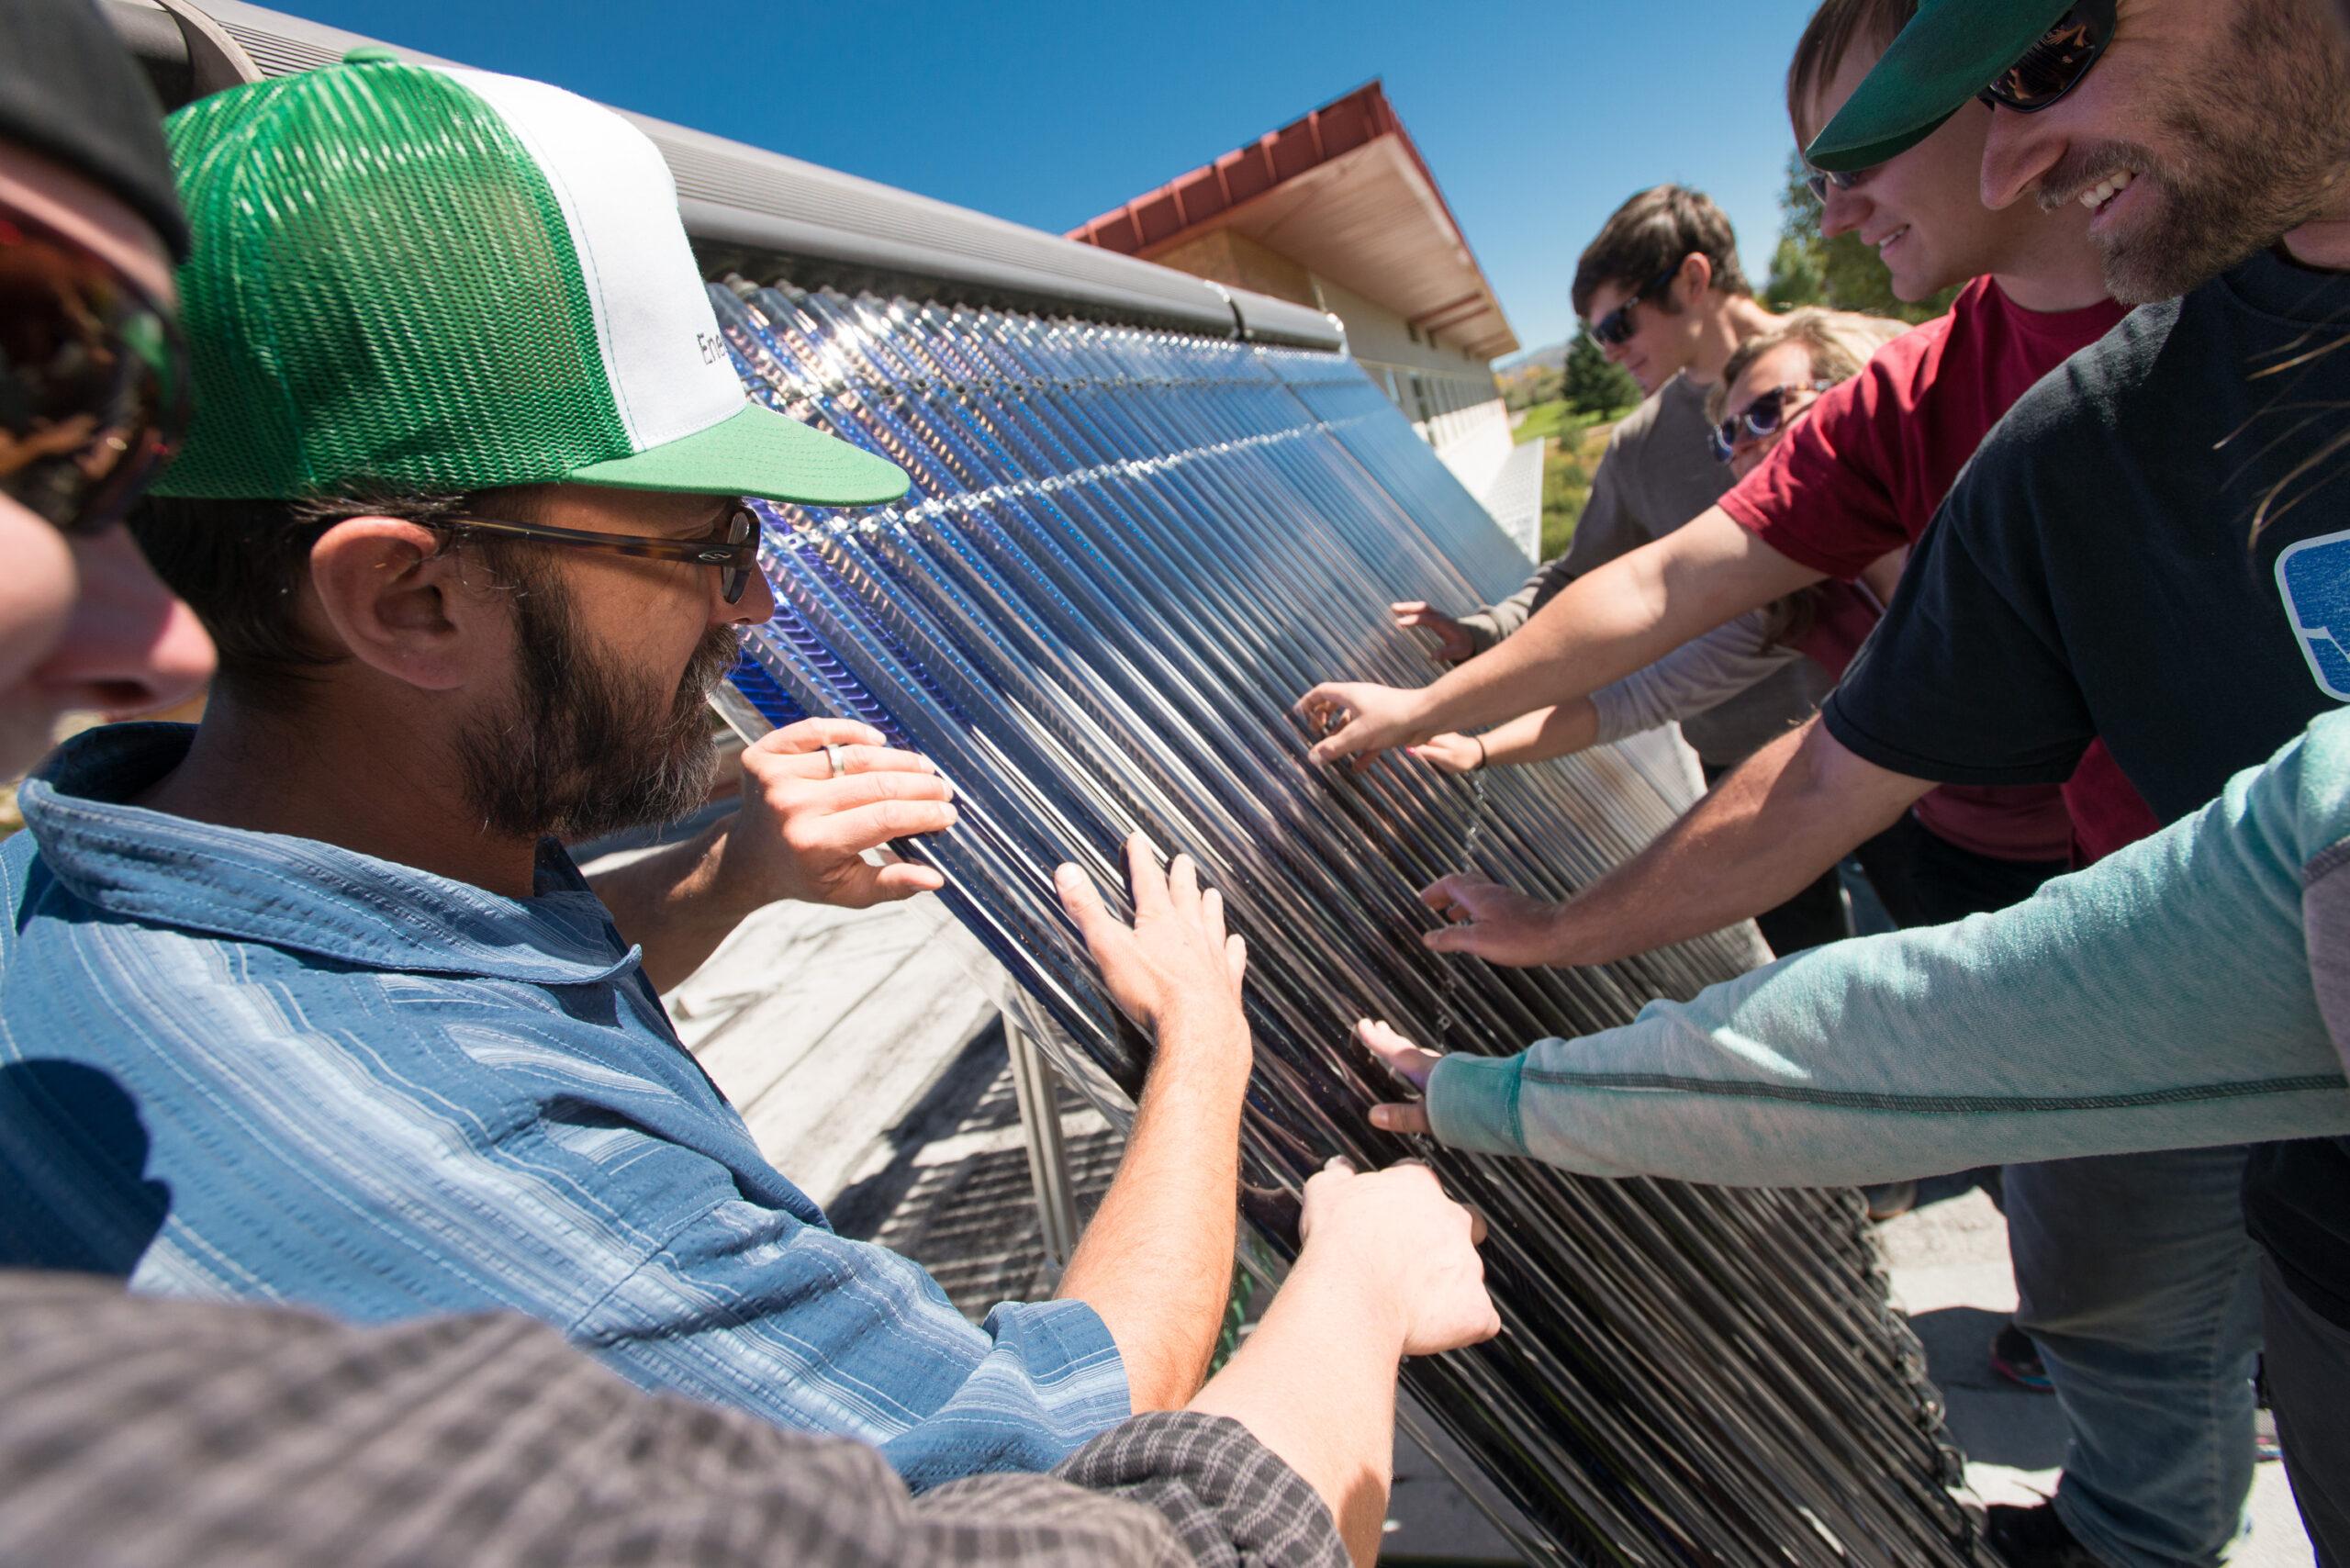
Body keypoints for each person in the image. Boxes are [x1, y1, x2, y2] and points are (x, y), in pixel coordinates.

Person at [0, 12, 1501, 1564]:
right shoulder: (540, 1226)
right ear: (408, 599)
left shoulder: (72, 904)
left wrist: (720, 878)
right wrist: (1231, 1084)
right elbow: (1065, 1466)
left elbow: (405, 968)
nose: (761, 605)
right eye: (706, 542)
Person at [1347, 0, 2350, 1563]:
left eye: (2037, 67)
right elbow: (1703, 646)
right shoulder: (2058, 448)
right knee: (2133, 1267)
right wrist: (1458, 727)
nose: (1842, 204)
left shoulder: (2115, 355)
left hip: (2168, 956)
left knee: (2132, 1274)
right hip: (2202, 1008)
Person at [1390, 185, 1852, 957]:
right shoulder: (1642, 445)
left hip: (1902, 736)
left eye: (1616, 324)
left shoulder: (1840, 362)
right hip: (1748, 764)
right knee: (1817, 965)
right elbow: (1589, 587)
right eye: (1730, 436)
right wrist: (1483, 636)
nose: (1607, 351)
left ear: (1694, 281)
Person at [1406, 308, 1904, 783]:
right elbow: (1634, 697)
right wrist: (1475, 744)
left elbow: (1653, 588)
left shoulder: (1967, 513)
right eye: (1727, 439)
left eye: (1768, 412)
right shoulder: (1793, 592)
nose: (1745, 446)